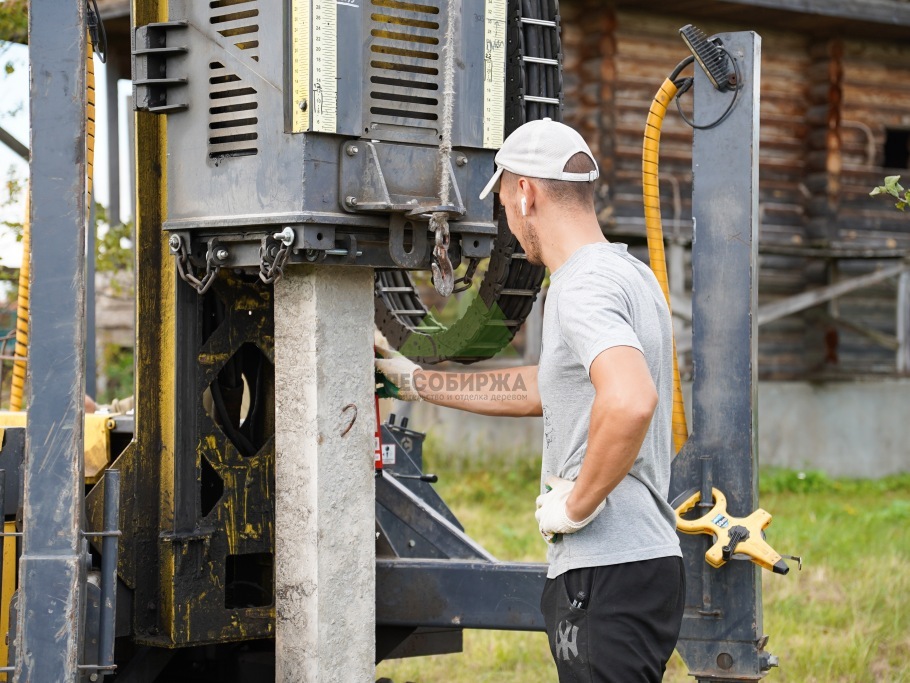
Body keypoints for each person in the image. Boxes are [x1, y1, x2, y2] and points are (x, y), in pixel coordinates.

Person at [375, 118, 684, 682]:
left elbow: (630, 399)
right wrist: (417, 381)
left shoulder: (580, 287)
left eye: (505, 209)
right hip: (643, 563)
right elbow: (550, 386)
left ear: (525, 193)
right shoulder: (629, 274)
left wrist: (576, 506)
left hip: (604, 572)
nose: (510, 228)